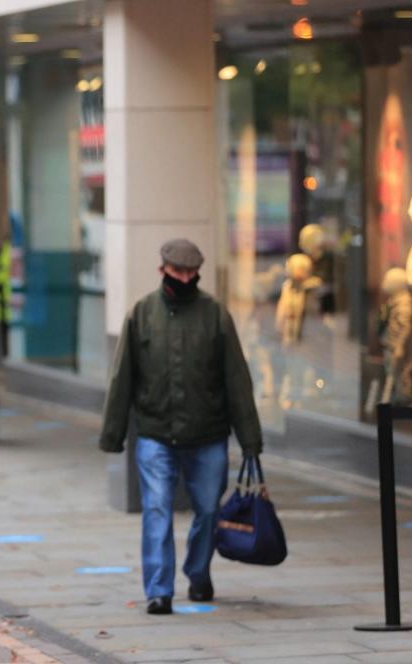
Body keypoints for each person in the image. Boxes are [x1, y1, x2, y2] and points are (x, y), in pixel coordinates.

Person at [99, 239, 263, 615]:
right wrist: (113, 434)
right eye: (178, 272)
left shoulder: (215, 315)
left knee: (207, 510)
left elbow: (236, 379)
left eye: (192, 273)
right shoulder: (141, 313)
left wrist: (250, 438)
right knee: (157, 509)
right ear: (163, 271)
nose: (185, 278)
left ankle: (198, 571)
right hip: (156, 434)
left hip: (208, 435)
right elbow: (122, 377)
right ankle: (159, 590)